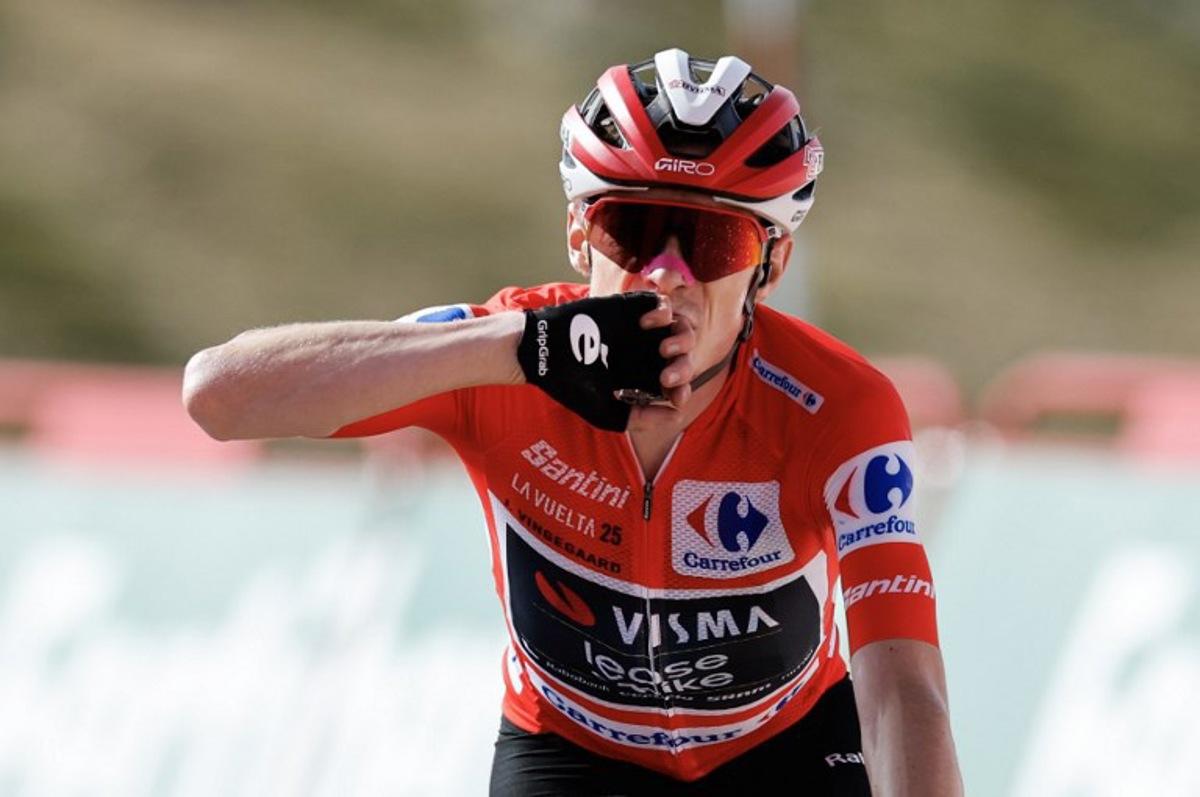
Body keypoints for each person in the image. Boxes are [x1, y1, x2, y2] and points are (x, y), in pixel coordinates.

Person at [184, 48, 963, 796]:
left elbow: (901, 682)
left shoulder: (838, 405)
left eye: (712, 238)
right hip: (572, 747)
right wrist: (515, 350)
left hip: (783, 744)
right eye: (630, 228)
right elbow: (217, 394)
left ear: (772, 264)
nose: (667, 272)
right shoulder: (498, 354)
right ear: (578, 235)